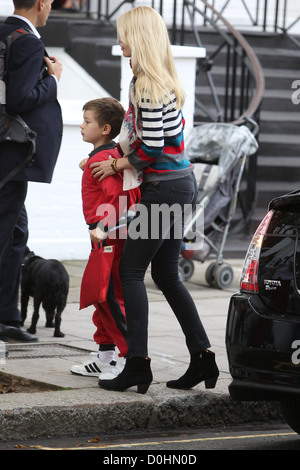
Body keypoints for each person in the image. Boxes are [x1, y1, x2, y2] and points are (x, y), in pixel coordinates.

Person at [93, 6, 219, 394]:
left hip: (164, 188)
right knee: (165, 274)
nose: (119, 41)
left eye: (124, 34)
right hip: (180, 185)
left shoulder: (146, 85)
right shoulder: (159, 78)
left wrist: (116, 166)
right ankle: (202, 358)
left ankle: (137, 365)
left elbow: (153, 147)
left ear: (140, 38)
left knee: (130, 271)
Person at [0, 0, 63, 342]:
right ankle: (5, 319)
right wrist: (52, 80)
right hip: (11, 156)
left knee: (15, 234)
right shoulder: (26, 40)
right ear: (41, 3)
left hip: (7, 156)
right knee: (5, 235)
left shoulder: (5, 31)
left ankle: (8, 317)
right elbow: (19, 99)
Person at [71, 97, 139, 378]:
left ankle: (126, 359)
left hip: (109, 238)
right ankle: (105, 356)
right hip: (105, 236)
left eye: (88, 122)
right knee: (101, 298)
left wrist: (102, 229)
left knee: (110, 298)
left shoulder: (104, 161)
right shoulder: (106, 156)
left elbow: (122, 200)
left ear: (106, 129)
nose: (81, 125)